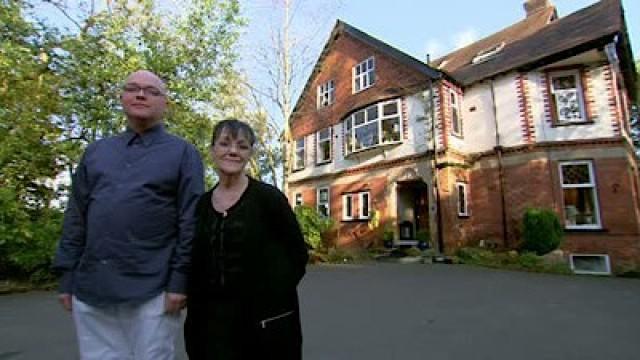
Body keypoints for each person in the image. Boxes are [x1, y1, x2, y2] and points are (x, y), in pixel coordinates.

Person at [52, 70, 204, 360]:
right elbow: (76, 215)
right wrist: (66, 275)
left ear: (165, 104)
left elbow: (190, 221)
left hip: (154, 288)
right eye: (132, 88)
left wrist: (179, 282)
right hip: (92, 287)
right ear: (122, 98)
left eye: (151, 91)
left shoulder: (183, 153)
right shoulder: (96, 152)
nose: (140, 94)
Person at [184, 119, 309, 359]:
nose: (232, 151)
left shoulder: (269, 199)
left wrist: (273, 296)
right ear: (212, 150)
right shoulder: (200, 205)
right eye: (224, 144)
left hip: (265, 324)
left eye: (242, 146)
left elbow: (296, 254)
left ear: (250, 153)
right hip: (210, 326)